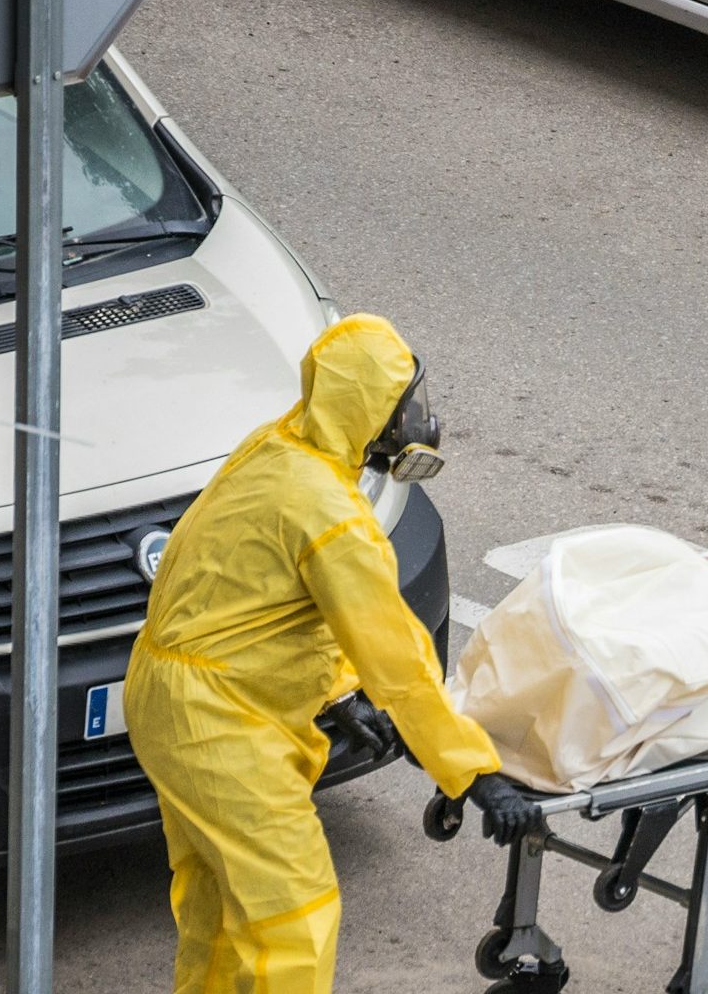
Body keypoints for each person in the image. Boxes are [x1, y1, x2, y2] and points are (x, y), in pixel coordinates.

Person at [126, 314, 543, 993]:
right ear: (371, 413)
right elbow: (400, 662)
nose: (417, 424)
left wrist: (340, 694)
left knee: (221, 909)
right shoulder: (332, 515)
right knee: (297, 912)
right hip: (222, 721)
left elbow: (261, 604)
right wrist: (473, 772)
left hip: (172, 697)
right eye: (405, 409)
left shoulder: (277, 451)